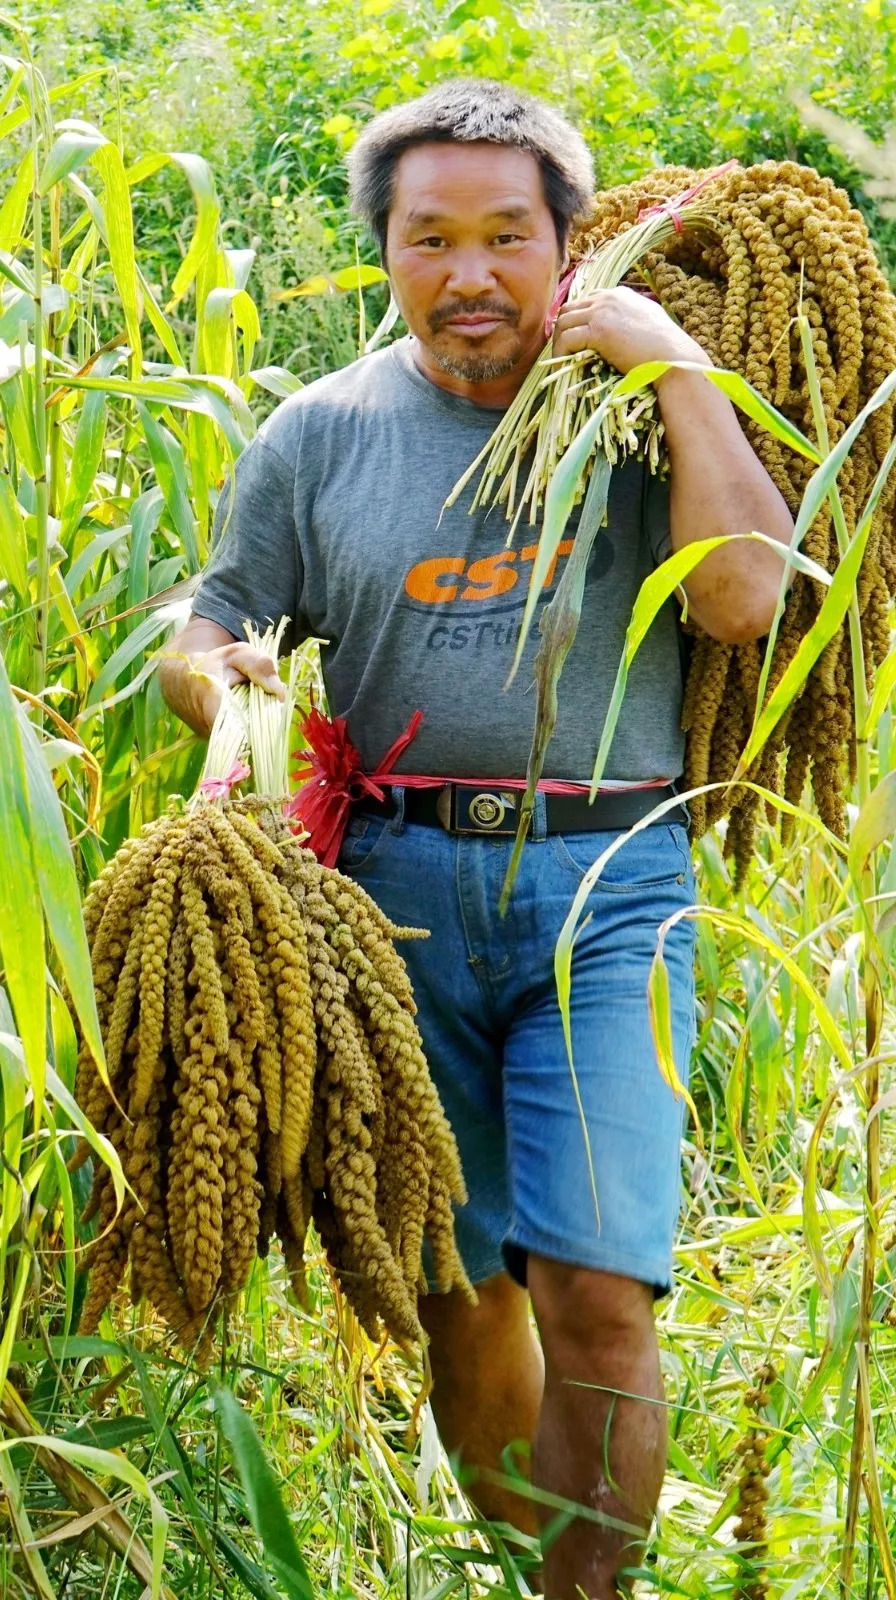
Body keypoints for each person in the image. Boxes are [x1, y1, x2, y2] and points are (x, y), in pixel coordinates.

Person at [159, 78, 794, 1600]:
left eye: (507, 235)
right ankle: (526, 1578)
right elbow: (215, 615)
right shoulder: (319, 435)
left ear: (567, 246)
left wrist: (683, 373)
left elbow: (744, 601)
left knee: (601, 1294)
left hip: (606, 884)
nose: (469, 274)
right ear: (384, 251)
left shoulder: (633, 416)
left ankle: (593, 1594)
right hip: (395, 897)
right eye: (428, 237)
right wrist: (209, 679)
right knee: (463, 1289)